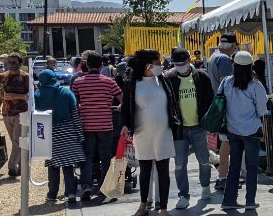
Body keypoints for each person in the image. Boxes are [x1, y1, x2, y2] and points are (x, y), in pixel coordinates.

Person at [120, 49, 181, 216]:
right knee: (145, 170)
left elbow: (173, 103)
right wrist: (125, 125)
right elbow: (126, 108)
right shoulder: (132, 84)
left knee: (163, 170)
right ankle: (143, 204)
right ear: (148, 65)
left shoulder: (164, 80)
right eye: (157, 63)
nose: (161, 66)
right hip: (142, 132)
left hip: (164, 131)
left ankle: (163, 208)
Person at [163, 48, 215, 208]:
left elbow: (211, 101)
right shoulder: (168, 78)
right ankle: (183, 195)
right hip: (179, 129)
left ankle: (205, 186)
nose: (180, 66)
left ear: (189, 61)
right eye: (176, 64)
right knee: (179, 164)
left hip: (199, 127)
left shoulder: (201, 77)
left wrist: (211, 123)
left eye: (182, 63)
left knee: (204, 160)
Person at [70, 50, 124, 200]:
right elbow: (122, 99)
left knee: (87, 155)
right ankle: (104, 186)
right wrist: (118, 107)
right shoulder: (109, 82)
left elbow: (75, 103)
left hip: (87, 125)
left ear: (86, 65)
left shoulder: (78, 82)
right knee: (106, 155)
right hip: (105, 124)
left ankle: (86, 185)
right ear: (101, 65)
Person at [220, 51, 268, 211]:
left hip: (232, 130)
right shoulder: (255, 85)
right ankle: (249, 200)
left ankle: (229, 199)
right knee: (252, 167)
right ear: (250, 66)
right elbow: (262, 109)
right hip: (251, 131)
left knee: (234, 166)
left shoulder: (226, 82)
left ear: (234, 66)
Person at [35, 69, 87, 203]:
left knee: (53, 165)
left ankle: (52, 194)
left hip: (48, 133)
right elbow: (75, 115)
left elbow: (36, 117)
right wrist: (80, 135)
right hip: (68, 131)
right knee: (68, 164)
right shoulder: (66, 92)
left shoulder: (37, 94)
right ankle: (70, 193)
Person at [0, 53, 30, 177]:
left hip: (21, 113)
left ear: (20, 63)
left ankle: (12, 167)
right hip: (6, 113)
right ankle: (20, 167)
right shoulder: (2, 77)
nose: (12, 64)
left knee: (18, 141)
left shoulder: (26, 77)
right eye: (10, 62)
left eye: (15, 62)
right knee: (15, 141)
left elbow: (31, 97)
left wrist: (16, 96)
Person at [208, 33, 237, 191]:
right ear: (233, 46)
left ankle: (224, 175)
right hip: (225, 105)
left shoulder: (214, 56)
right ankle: (223, 177)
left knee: (225, 142)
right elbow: (228, 84)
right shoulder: (224, 59)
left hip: (218, 104)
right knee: (227, 142)